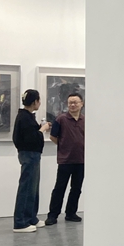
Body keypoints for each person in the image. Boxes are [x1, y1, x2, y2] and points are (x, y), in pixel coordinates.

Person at [11, 89, 50, 232]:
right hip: (29, 155)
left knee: (33, 188)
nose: (39, 103)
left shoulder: (27, 117)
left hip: (31, 154)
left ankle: (31, 217)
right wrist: (43, 129)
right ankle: (20, 222)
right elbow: (31, 138)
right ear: (35, 102)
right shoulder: (24, 117)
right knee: (27, 187)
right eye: (39, 100)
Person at [44, 91, 85, 225]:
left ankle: (71, 213)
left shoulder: (85, 120)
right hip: (65, 160)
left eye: (75, 102)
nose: (72, 105)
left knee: (76, 189)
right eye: (70, 103)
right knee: (59, 188)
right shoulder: (60, 119)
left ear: (81, 104)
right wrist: (64, 146)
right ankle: (53, 215)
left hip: (81, 160)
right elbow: (53, 137)